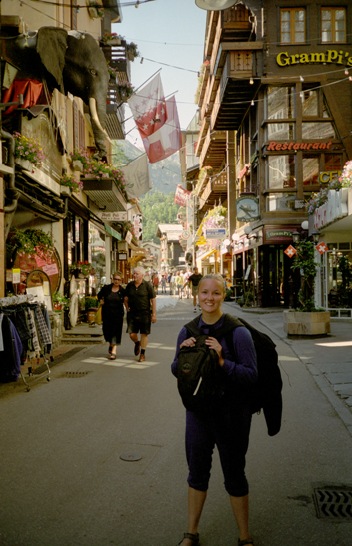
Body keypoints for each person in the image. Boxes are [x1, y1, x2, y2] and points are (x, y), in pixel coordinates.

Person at [171, 274, 258, 546]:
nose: (210, 298)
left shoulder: (238, 332)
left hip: (232, 416)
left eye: (216, 293)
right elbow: (177, 370)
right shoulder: (187, 331)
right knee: (197, 472)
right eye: (205, 292)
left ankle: (244, 537)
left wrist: (222, 361)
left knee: (234, 473)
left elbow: (251, 375)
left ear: (224, 295)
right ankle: (191, 532)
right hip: (198, 415)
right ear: (197, 294)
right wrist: (184, 356)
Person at [124, 266, 157, 362]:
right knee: (132, 334)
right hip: (132, 313)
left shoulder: (147, 285)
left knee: (144, 333)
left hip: (145, 313)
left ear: (142, 275)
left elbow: (153, 300)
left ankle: (142, 354)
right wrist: (127, 308)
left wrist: (154, 314)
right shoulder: (130, 285)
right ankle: (137, 343)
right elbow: (125, 299)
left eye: (137, 273)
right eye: (134, 273)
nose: (134, 275)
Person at [97, 272, 125, 360]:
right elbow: (99, 295)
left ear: (121, 281)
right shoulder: (106, 288)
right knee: (107, 332)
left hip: (118, 314)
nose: (116, 281)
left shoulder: (122, 291)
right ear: (112, 279)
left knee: (116, 332)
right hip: (107, 313)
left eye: (118, 279)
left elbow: (127, 301)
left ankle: (114, 351)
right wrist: (101, 300)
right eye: (115, 279)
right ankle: (111, 344)